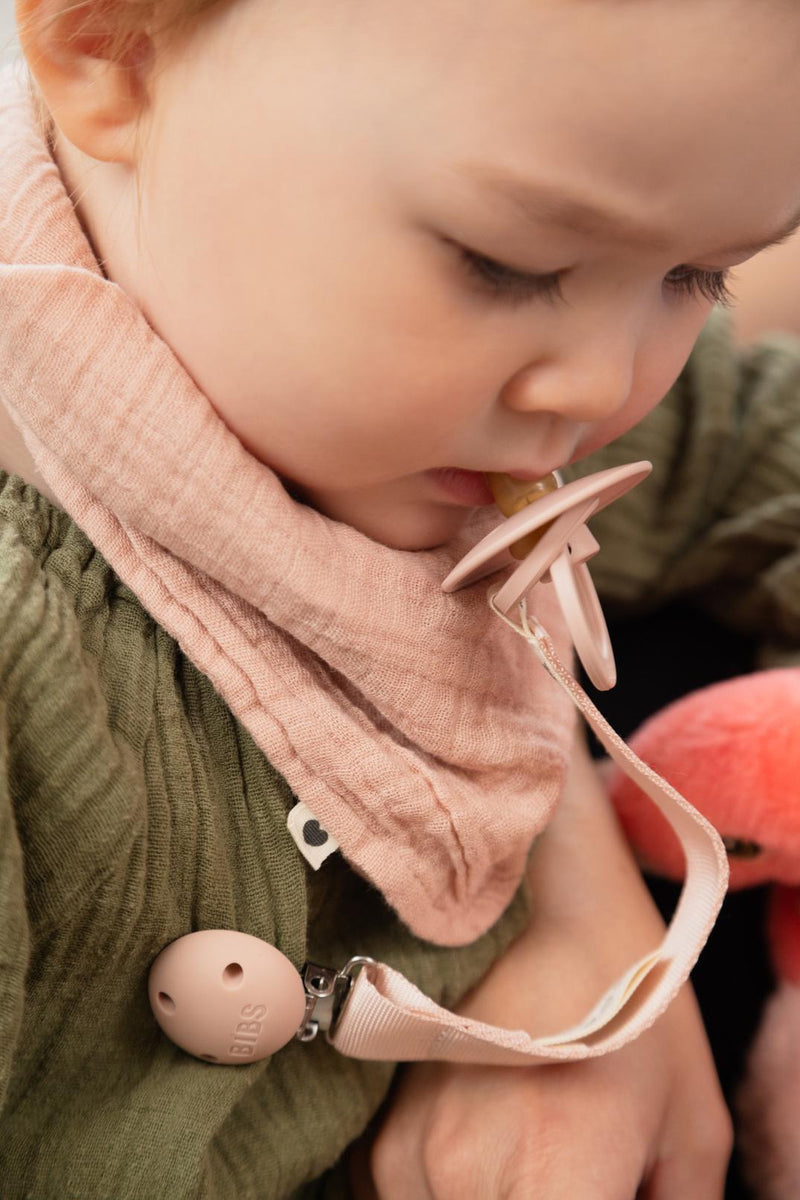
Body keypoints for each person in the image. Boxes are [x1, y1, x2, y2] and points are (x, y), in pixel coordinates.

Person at [2, 0, 800, 1196]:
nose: (600, 383)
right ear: (109, 51)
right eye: (507, 264)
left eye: (697, 274)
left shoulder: (458, 408)